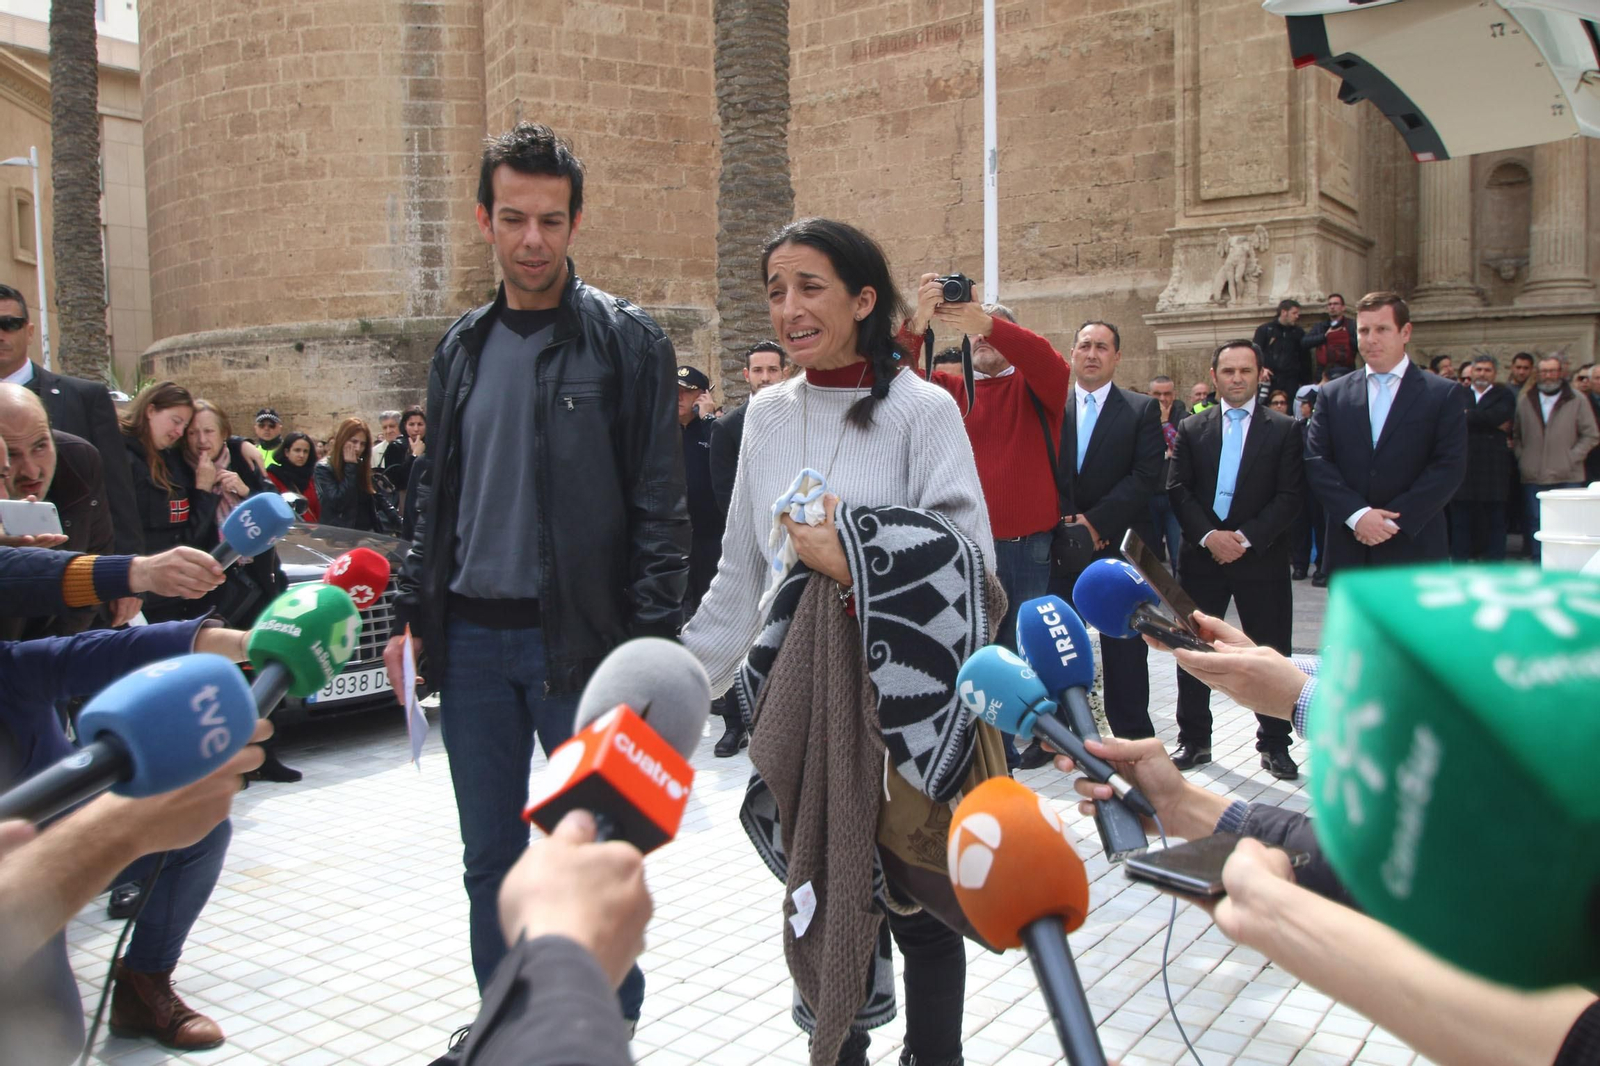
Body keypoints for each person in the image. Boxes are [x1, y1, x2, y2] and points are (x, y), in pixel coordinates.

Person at [384, 122, 688, 1034]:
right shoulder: (459, 348)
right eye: (513, 218)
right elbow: (433, 498)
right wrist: (410, 615)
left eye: (551, 221)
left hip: (583, 650)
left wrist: (646, 654)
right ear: (484, 219)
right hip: (473, 645)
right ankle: (505, 1024)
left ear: (575, 222)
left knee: (591, 853)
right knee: (488, 860)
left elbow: (659, 504)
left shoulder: (626, 340)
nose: (532, 240)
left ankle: (601, 1029)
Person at [681, 217, 994, 1066]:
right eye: (776, 291)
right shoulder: (763, 417)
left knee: (920, 909)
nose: (789, 308)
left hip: (904, 710)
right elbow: (740, 575)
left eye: (810, 287)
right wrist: (673, 683)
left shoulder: (922, 410)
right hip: (802, 704)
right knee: (820, 891)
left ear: (862, 300)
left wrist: (852, 553)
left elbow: (973, 561)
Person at [0, 617, 256, 1058]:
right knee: (48, 1041)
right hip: (17, 896)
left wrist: (248, 643)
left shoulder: (10, 666)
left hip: (42, 859)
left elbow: (107, 652)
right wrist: (117, 830)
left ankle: (143, 985)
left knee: (200, 835)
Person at [1166, 340, 1304, 779]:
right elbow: (1178, 488)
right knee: (1193, 648)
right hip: (1201, 557)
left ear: (1260, 375)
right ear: (1214, 376)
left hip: (1260, 557)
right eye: (1228, 371)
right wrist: (1210, 536)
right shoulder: (1192, 428)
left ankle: (1275, 744)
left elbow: (1291, 495)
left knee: (1270, 649)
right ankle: (1194, 740)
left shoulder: (1284, 429)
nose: (1237, 378)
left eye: (1246, 370)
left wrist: (1244, 538)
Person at [1041, 320, 1164, 751]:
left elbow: (1145, 477)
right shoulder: (1051, 408)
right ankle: (1056, 737)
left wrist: (1093, 525)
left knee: (1124, 647)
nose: (1092, 354)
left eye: (1102, 347)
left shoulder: (1141, 410)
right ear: (1072, 353)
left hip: (1117, 548)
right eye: (1085, 346)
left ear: (1117, 357)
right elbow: (1040, 468)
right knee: (1057, 640)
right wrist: (1068, 524)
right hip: (1059, 544)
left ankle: (1132, 737)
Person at [1303, 292, 1466, 577]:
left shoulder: (1442, 394)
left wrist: (1390, 522)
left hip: (1415, 547)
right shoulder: (1333, 394)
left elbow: (1448, 467)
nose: (1371, 339)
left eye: (1382, 329)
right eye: (1364, 331)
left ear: (1405, 332)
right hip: (1350, 548)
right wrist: (1358, 516)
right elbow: (1317, 461)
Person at [0, 284, 142, 554]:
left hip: (75, 558)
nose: (0, 334)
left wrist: (125, 569)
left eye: (9, 324)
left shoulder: (84, 397)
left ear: (29, 331)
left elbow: (117, 492)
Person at [0, 385, 128, 634]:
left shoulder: (79, 460)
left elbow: (97, 556)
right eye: (11, 456)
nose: (31, 471)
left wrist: (56, 649)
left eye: (40, 446)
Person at [1513, 356, 1599, 561]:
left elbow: (1591, 434)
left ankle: (1567, 566)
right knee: (1536, 523)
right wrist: (1523, 458)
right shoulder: (1526, 400)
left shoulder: (1577, 399)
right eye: (1544, 371)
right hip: (1533, 474)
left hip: (1568, 475)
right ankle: (1539, 564)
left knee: (1569, 526)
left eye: (1552, 371)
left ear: (1561, 373)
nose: (1548, 376)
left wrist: (1571, 457)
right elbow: (1517, 435)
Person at [1449, 356, 1517, 562]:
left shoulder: (1504, 394)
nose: (1482, 374)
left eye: (1487, 370)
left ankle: (1494, 564)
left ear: (1495, 373)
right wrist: (1486, 420)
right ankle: (1460, 563)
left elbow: (1499, 415)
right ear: (1471, 372)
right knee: (1461, 520)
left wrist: (1467, 415)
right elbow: (1453, 418)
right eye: (1478, 369)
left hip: (1492, 467)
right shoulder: (1458, 393)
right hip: (1464, 464)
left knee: (1495, 520)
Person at [678, 365, 723, 622]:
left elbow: (725, 459)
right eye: (674, 391)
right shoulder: (661, 430)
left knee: (709, 608)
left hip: (710, 536)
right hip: (674, 538)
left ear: (703, 396)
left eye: (686, 391)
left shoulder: (716, 428)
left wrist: (708, 419)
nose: (678, 397)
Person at [314, 417, 398, 533]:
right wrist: (350, 468)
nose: (358, 448)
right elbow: (337, 502)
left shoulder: (360, 464)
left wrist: (399, 522)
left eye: (362, 444)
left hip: (367, 531)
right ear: (343, 440)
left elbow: (376, 495)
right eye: (354, 442)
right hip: (339, 534)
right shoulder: (324, 467)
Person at [1147, 376, 1187, 576]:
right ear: (1149, 395)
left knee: (1178, 555)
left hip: (1174, 498)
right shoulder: (1141, 417)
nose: (1163, 399)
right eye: (1157, 394)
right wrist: (1164, 454)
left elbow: (1182, 450)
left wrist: (1164, 423)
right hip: (1148, 497)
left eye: (1167, 394)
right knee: (1148, 557)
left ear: (1174, 394)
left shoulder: (1184, 418)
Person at [1253, 298, 1308, 401]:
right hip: (1269, 378)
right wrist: (1261, 369)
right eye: (1294, 313)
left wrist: (1304, 381)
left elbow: (1305, 358)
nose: (1297, 316)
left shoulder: (1298, 332)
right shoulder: (1265, 330)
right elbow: (1255, 352)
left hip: (1291, 380)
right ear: (1284, 312)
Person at [377, 404, 426, 511]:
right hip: (405, 503)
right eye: (411, 424)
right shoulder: (396, 447)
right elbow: (399, 482)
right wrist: (414, 456)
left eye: (420, 424)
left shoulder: (432, 446)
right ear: (405, 426)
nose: (416, 429)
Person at [265, 430, 320, 522]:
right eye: (297, 450)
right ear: (286, 452)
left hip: (312, 529)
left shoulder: (313, 477)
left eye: (305, 451)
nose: (301, 455)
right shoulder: (273, 476)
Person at [1301, 292, 1355, 377]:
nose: (1332, 307)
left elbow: (1361, 345)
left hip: (1347, 371)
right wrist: (1325, 336)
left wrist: (1345, 337)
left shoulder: (1351, 325)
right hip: (1324, 372)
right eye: (1330, 304)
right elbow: (1305, 342)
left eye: (1335, 304)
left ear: (1343, 308)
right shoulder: (1320, 326)